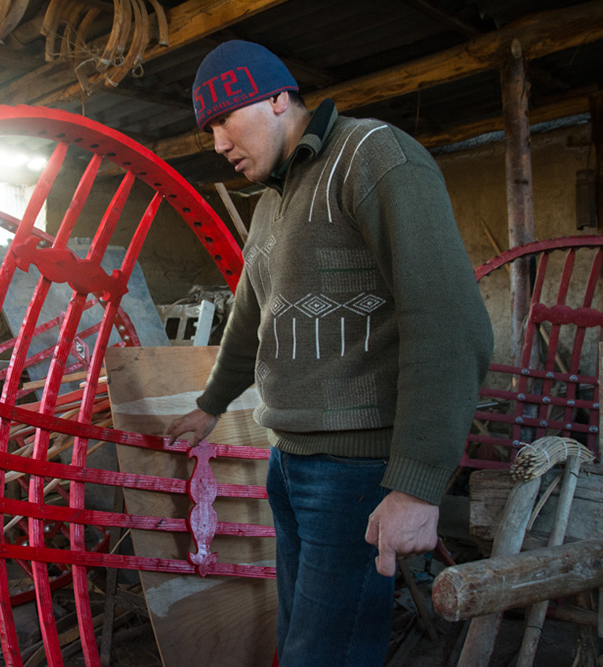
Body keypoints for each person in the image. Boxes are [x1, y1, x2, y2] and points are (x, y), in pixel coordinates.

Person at [168, 41, 494, 666]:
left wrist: (417, 487)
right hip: (289, 464)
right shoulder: (270, 207)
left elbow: (450, 325)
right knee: (303, 637)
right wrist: (210, 405)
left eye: (223, 121)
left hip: (355, 473)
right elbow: (248, 322)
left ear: (277, 98)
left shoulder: (373, 157)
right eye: (208, 130)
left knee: (325, 655)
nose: (217, 144)